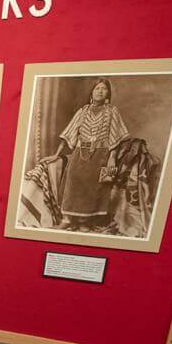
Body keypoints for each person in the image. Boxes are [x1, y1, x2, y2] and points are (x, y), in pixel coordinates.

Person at [47, 77, 129, 231]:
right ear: (92, 91)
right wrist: (56, 154)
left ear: (108, 93)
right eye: (97, 88)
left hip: (101, 155)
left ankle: (85, 222)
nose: (100, 91)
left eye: (104, 89)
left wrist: (112, 159)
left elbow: (115, 138)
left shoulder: (112, 111)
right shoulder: (83, 110)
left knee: (93, 187)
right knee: (72, 182)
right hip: (80, 154)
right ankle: (67, 220)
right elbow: (69, 132)